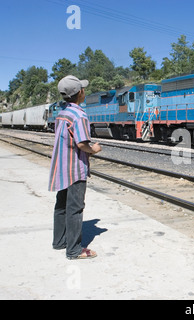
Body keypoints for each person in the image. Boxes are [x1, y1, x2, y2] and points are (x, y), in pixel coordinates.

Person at [49, 75, 102, 260]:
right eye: (83, 89)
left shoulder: (62, 113)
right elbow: (82, 144)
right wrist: (94, 149)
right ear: (80, 92)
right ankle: (73, 250)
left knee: (61, 205)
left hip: (60, 165)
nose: (84, 91)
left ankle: (59, 241)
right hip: (74, 168)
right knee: (76, 208)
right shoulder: (79, 115)